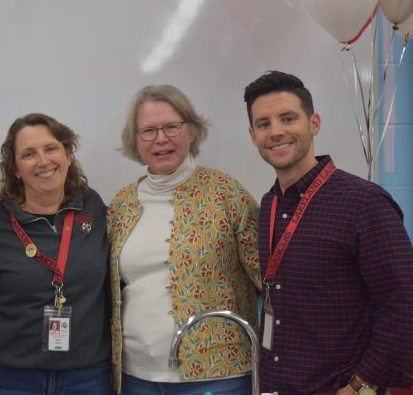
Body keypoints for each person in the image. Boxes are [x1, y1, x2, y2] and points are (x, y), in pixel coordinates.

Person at [243, 70, 413, 395]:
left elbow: (402, 303)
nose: (276, 131)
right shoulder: (268, 206)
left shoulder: (364, 203)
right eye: (264, 124)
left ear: (314, 123)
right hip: (279, 385)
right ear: (253, 135)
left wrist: (359, 387)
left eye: (288, 118)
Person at [108, 84, 261, 394]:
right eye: (148, 131)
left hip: (219, 375)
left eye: (171, 127)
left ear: (191, 131)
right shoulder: (121, 205)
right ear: (135, 142)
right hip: (136, 378)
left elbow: (269, 280)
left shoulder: (227, 194)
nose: (161, 138)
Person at [0, 113, 111, 394]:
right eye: (28, 154)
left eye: (51, 148)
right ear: (14, 169)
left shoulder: (95, 210)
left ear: (68, 155)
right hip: (7, 380)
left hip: (87, 377)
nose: (43, 161)